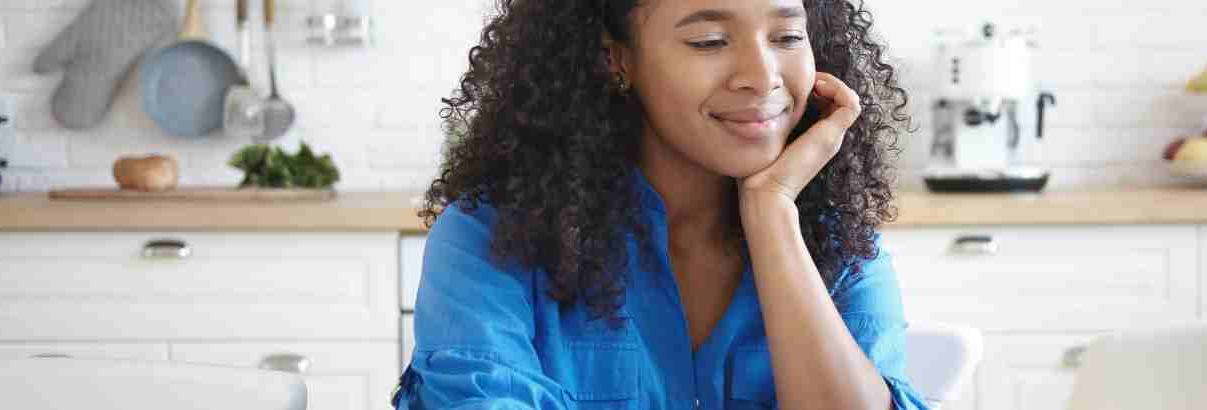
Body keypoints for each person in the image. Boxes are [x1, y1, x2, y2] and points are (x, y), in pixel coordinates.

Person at [394, 0, 921, 408]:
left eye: (786, 36)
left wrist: (773, 212)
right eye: (710, 41)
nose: (762, 76)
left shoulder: (843, 250)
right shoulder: (488, 239)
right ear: (616, 57)